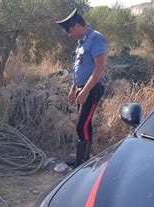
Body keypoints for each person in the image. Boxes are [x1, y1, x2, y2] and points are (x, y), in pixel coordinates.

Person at [57, 9, 107, 166]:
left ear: (77, 25)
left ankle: (81, 163)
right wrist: (74, 88)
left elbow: (99, 68)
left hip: (92, 89)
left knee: (81, 126)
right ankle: (85, 159)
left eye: (69, 30)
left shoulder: (95, 38)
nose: (69, 34)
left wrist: (85, 90)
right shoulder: (81, 43)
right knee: (86, 124)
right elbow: (79, 68)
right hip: (81, 89)